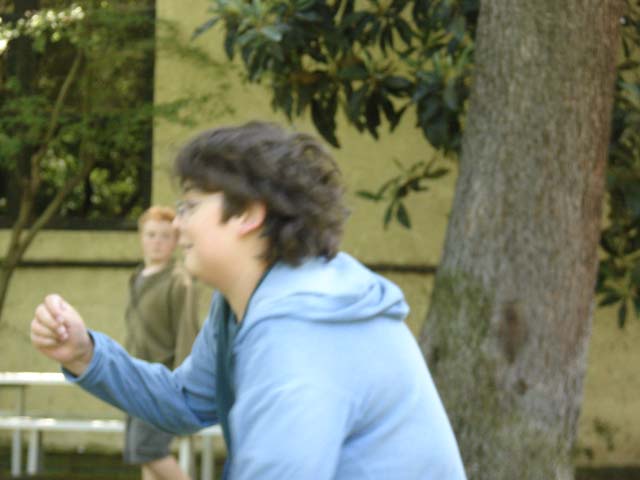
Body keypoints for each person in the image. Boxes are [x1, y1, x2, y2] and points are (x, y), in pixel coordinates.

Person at [30, 121, 468, 480]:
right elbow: (184, 401)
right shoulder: (244, 305)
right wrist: (85, 354)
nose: (178, 226)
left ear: (247, 214)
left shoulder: (301, 331)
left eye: (190, 206)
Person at [123, 206, 200, 480]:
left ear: (177, 240)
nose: (157, 242)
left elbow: (187, 335)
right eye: (151, 235)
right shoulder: (137, 278)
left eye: (165, 236)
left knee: (149, 450)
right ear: (141, 237)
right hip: (134, 379)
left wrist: (181, 388)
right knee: (141, 456)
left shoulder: (180, 281)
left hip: (161, 383)